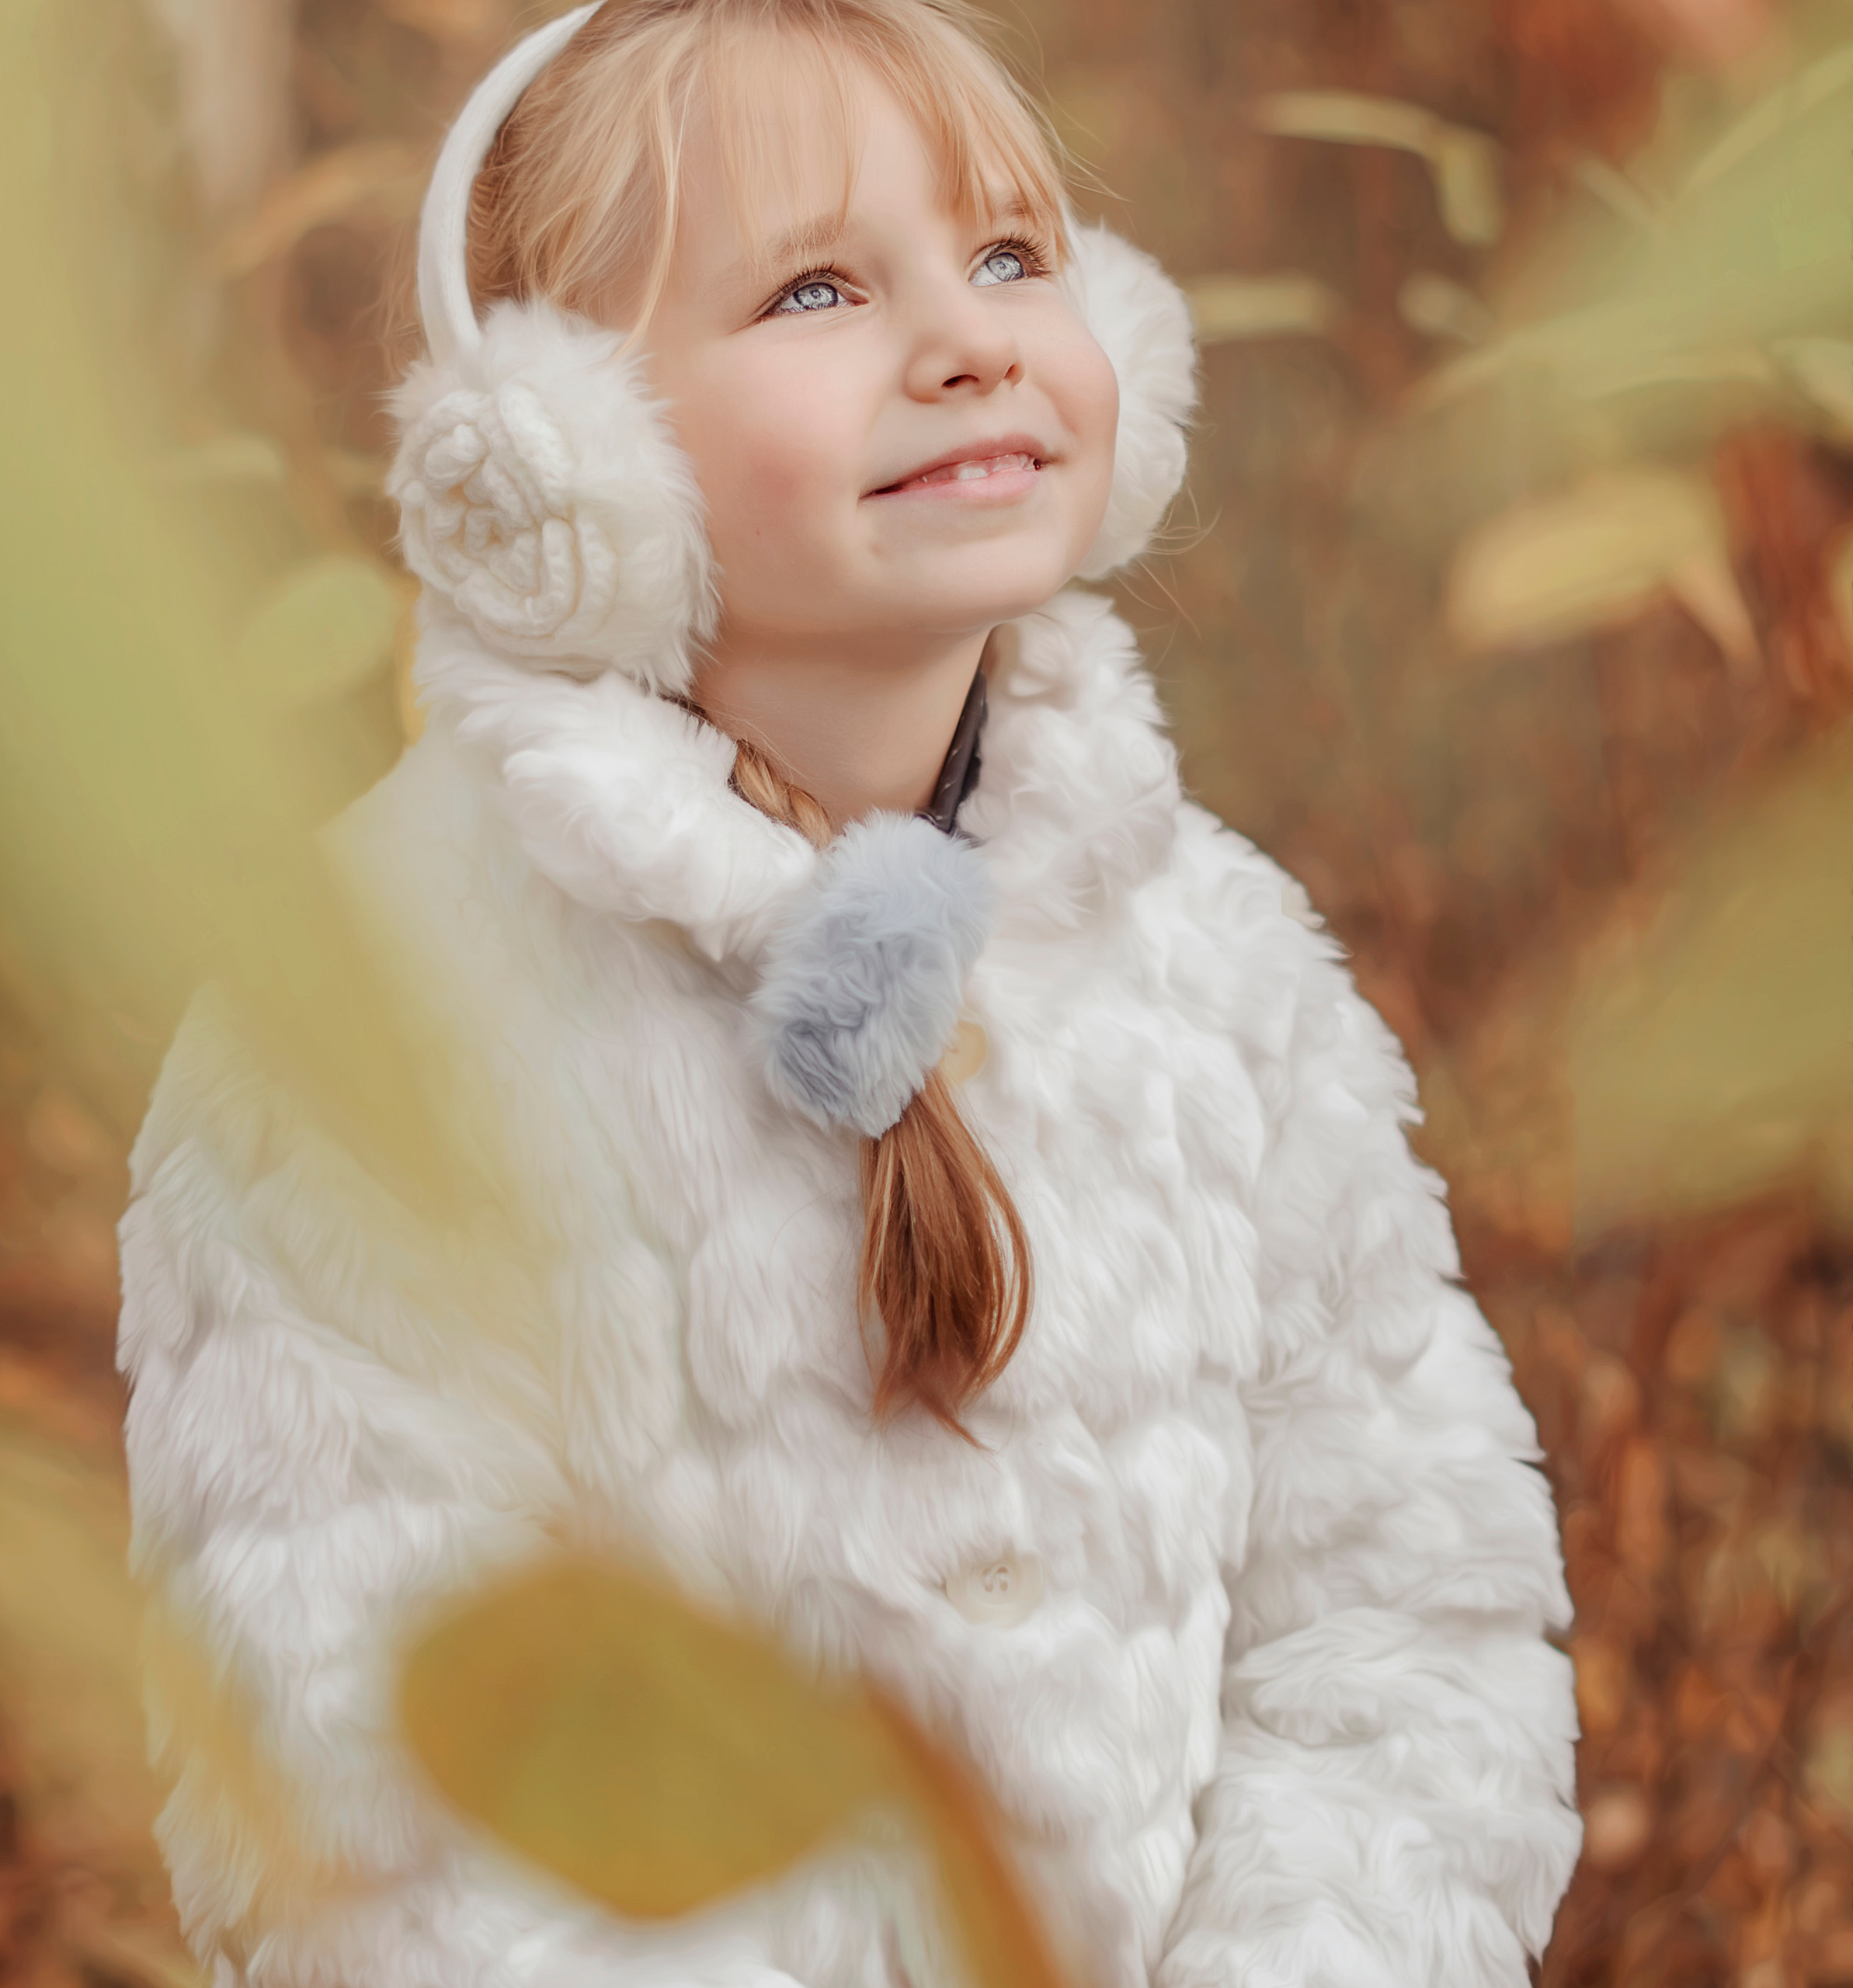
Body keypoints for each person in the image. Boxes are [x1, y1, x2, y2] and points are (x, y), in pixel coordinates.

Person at [116, 2, 1582, 1983]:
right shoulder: (369, 1035)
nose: (966, 335)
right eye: (814, 283)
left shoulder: (1220, 977)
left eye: (1007, 258)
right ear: (558, 463)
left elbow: (1408, 1622)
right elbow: (367, 1791)